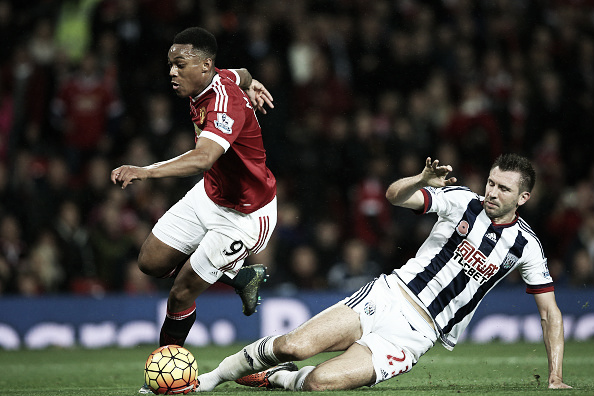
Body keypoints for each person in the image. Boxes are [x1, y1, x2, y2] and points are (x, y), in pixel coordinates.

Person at [195, 154, 572, 391]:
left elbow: (549, 313)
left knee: (319, 383)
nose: (492, 192)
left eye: (503, 189)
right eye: (491, 182)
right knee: (294, 345)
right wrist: (421, 181)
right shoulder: (461, 201)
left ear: (523, 198)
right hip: (388, 296)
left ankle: (278, 377)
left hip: (417, 334)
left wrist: (554, 376)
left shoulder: (527, 246)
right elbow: (395, 196)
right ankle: (212, 379)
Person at [109, 27, 277, 393]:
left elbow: (203, 157)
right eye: (170, 64)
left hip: (246, 215)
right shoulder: (215, 78)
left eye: (179, 64)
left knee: (182, 292)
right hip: (211, 194)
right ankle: (237, 277)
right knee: (150, 263)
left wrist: (145, 170)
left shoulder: (223, 101)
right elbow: (242, 73)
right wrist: (253, 82)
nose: (171, 72)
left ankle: (167, 380)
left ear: (204, 65)